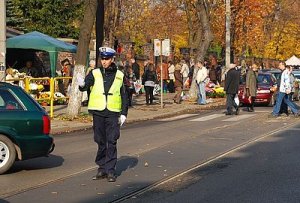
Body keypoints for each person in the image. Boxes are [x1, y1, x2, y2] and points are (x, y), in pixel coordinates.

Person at [77, 46, 128, 182]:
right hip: (98, 112)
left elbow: (125, 96)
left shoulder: (120, 75)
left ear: (112, 59)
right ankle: (102, 168)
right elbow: (85, 86)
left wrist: (124, 113)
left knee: (111, 141)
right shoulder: (95, 73)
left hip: (112, 113)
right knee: (100, 141)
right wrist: (81, 84)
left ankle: (110, 170)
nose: (104, 61)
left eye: (107, 59)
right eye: (102, 59)